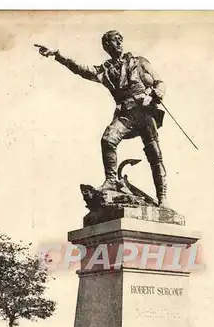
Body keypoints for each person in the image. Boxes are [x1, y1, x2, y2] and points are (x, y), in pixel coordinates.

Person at [36, 30, 168, 207]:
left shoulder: (139, 62)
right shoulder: (105, 71)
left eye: (120, 40)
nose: (118, 43)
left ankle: (163, 198)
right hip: (126, 115)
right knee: (108, 140)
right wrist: (57, 55)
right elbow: (82, 70)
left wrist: (154, 95)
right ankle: (111, 180)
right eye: (114, 41)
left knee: (155, 155)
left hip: (144, 113)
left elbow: (160, 82)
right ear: (106, 46)